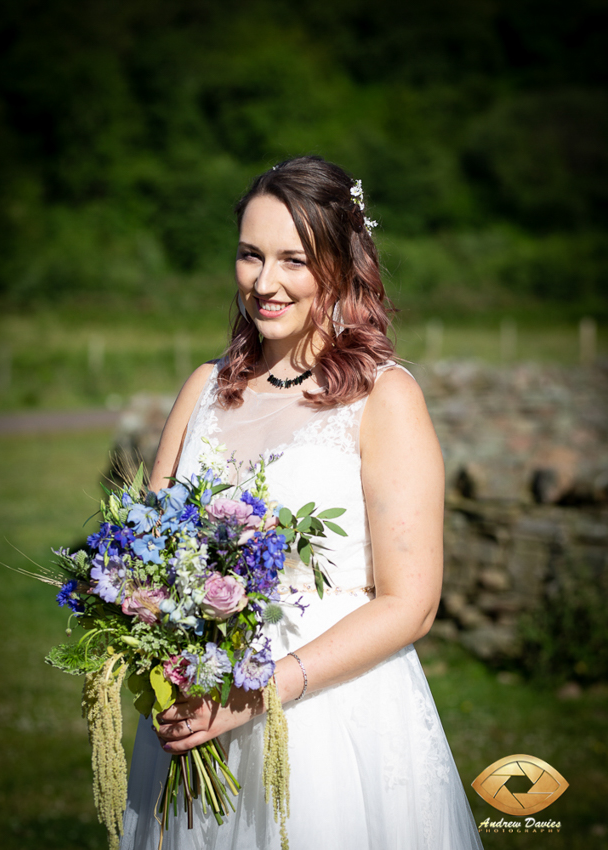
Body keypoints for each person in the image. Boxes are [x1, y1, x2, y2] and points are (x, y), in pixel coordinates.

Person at [120, 156, 483, 849]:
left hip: (329, 720)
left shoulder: (385, 397)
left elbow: (412, 603)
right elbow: (149, 555)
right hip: (192, 708)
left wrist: (252, 696)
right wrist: (158, 653)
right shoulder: (202, 390)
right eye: (250, 256)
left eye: (293, 260)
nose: (264, 282)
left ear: (340, 266)